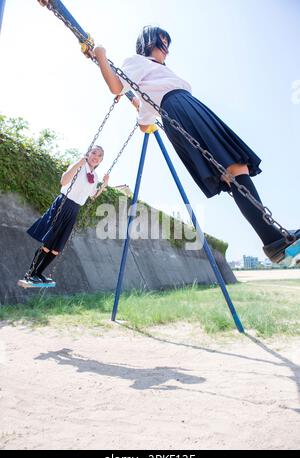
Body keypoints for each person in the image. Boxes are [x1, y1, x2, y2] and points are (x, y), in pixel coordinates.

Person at [91, 25, 299, 266]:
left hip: (187, 107)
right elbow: (117, 88)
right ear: (148, 41)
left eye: (168, 42)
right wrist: (100, 53)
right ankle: (273, 240)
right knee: (235, 169)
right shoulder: (137, 61)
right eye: (162, 40)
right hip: (180, 110)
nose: (166, 47)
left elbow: (144, 120)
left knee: (236, 173)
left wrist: (140, 107)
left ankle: (273, 240)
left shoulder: (157, 73)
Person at [21, 146, 109, 287]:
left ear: (101, 160)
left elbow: (92, 195)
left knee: (57, 246)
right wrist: (78, 164)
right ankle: (30, 273)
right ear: (88, 153)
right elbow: (63, 181)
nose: (96, 156)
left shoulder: (95, 176)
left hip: (74, 209)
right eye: (94, 152)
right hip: (64, 203)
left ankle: (39, 273)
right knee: (49, 241)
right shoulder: (79, 165)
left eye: (99, 155)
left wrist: (104, 184)